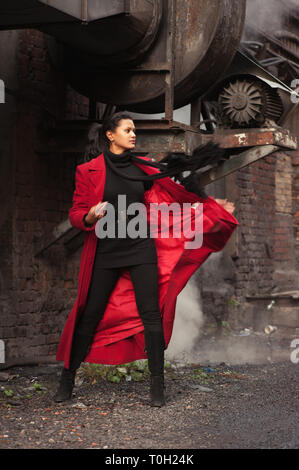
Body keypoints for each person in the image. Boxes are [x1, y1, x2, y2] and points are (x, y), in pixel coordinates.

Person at [54, 112, 238, 406]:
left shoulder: (144, 170)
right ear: (110, 135)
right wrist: (89, 216)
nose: (134, 134)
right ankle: (67, 380)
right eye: (128, 130)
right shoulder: (88, 171)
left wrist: (207, 208)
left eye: (134, 130)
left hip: (141, 248)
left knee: (151, 316)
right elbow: (76, 214)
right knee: (89, 316)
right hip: (105, 252)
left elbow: (171, 197)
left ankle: (157, 387)